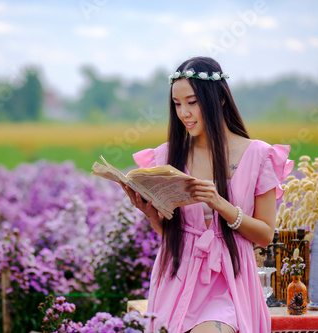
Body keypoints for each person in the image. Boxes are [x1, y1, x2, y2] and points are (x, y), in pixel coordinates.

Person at [120, 56, 294, 333]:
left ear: (220, 99)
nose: (184, 113)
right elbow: (174, 234)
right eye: (177, 104)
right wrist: (152, 213)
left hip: (229, 279)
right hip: (177, 276)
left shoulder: (259, 155)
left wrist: (220, 204)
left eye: (192, 102)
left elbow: (264, 235)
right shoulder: (167, 155)